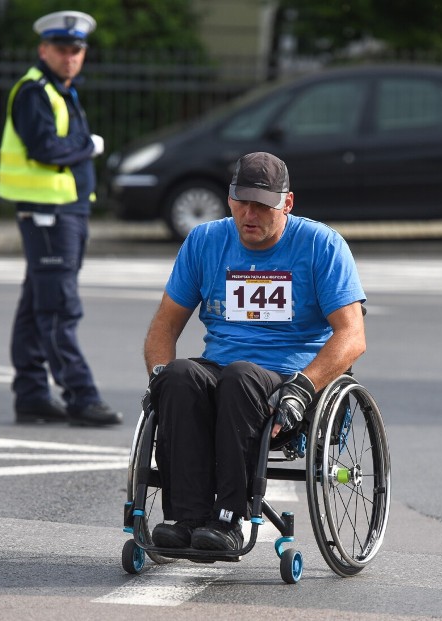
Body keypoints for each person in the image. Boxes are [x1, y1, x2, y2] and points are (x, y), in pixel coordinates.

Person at [143, 152, 366, 551]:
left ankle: (228, 519)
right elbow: (164, 324)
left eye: (263, 205)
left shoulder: (321, 245)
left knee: (241, 376)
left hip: (289, 377)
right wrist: (157, 375)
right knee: (178, 376)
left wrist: (304, 386)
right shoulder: (205, 241)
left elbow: (352, 337)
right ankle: (185, 517)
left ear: (287, 203)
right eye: (242, 201)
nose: (250, 214)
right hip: (223, 368)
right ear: (229, 198)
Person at [0, 10, 122, 427]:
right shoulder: (35, 91)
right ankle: (80, 396)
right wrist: (88, 145)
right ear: (43, 49)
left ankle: (31, 394)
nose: (71, 57)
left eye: (76, 50)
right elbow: (46, 149)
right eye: (62, 49)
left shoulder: (59, 89)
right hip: (48, 214)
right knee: (58, 307)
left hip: (62, 210)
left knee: (37, 303)